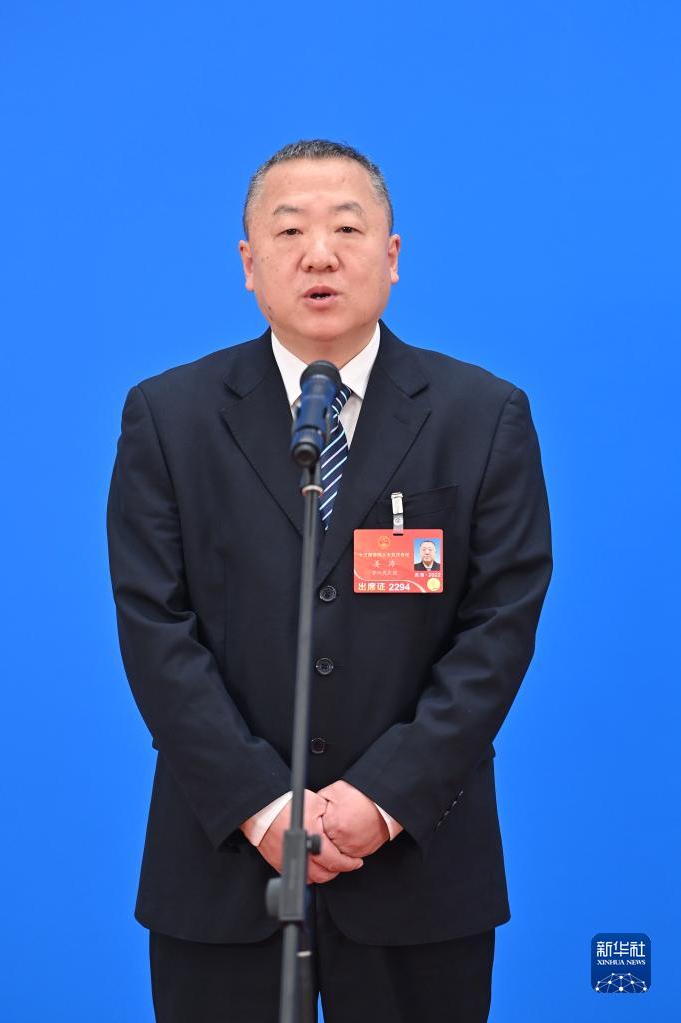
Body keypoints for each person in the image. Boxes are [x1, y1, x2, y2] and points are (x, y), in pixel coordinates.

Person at [107, 139, 552, 1023]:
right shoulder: (169, 417)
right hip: (224, 870)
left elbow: (499, 626)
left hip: (418, 870)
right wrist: (262, 807)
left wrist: (383, 798)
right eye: (290, 231)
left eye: (347, 228)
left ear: (392, 255)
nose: (319, 253)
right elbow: (155, 628)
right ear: (249, 264)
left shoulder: (482, 416)